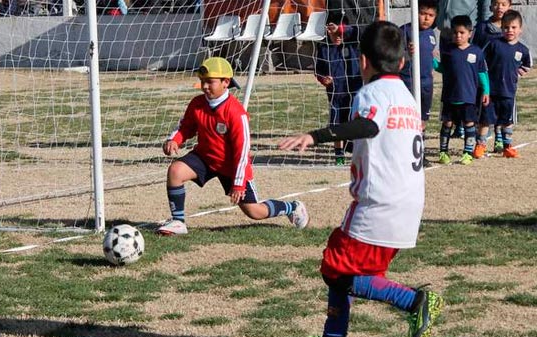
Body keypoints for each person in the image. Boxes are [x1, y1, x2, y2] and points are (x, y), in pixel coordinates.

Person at [278, 21, 443, 337]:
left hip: (378, 203)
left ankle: (414, 300)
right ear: (403, 62)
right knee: (354, 273)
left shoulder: (372, 93)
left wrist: (317, 136)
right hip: (408, 203)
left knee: (335, 269)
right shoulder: (407, 98)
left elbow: (368, 127)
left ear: (362, 61)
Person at [158, 57, 309, 235]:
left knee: (255, 212)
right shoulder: (197, 104)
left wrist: (238, 184)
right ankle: (178, 222)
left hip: (233, 167)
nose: (205, 86)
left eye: (210, 82)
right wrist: (174, 140)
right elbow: (186, 127)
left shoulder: (236, 113)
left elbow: (242, 153)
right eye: (202, 82)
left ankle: (292, 207)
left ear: (225, 82)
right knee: (176, 171)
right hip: (205, 158)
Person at [435, 15, 490, 165]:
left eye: (461, 32)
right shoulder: (447, 51)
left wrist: (486, 91)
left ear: (470, 33)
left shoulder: (476, 52)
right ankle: (443, 152)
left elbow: (482, 73)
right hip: (449, 96)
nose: (458, 36)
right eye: (455, 32)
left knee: (469, 124)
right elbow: (442, 68)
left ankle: (467, 153)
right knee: (447, 123)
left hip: (468, 97)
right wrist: (432, 61)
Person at [481, 9, 532, 158]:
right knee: (486, 120)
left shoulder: (522, 50)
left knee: (506, 121)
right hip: (491, 91)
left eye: (514, 27)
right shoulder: (493, 44)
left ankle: (507, 147)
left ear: (520, 30)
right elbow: (481, 60)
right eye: (506, 27)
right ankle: (480, 145)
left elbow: (527, 65)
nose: (510, 30)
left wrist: (516, 74)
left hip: (508, 92)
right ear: (501, 28)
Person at [315, 19, 362, 165]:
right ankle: (339, 156)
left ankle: (358, 153)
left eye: (340, 33)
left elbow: (357, 31)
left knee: (355, 124)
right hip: (335, 93)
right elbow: (318, 70)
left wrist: (343, 29)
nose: (337, 37)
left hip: (355, 90)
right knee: (336, 125)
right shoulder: (324, 48)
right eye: (333, 34)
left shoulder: (353, 44)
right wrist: (324, 79)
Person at [400, 0, 438, 167]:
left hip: (426, 83)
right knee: (409, 119)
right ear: (415, 12)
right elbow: (396, 55)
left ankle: (420, 153)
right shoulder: (405, 31)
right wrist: (407, 52)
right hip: (408, 81)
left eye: (430, 15)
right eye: (423, 14)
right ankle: (406, 153)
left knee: (422, 120)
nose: (426, 18)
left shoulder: (431, 33)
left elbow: (431, 55)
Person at [471, 0, 512, 157]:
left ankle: (500, 141)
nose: (499, 7)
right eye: (496, 3)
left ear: (510, 6)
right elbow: (475, 48)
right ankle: (480, 143)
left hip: (505, 79)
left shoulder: (511, 27)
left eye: (503, 4)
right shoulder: (482, 27)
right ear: (490, 6)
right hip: (487, 78)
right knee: (487, 110)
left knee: (504, 110)